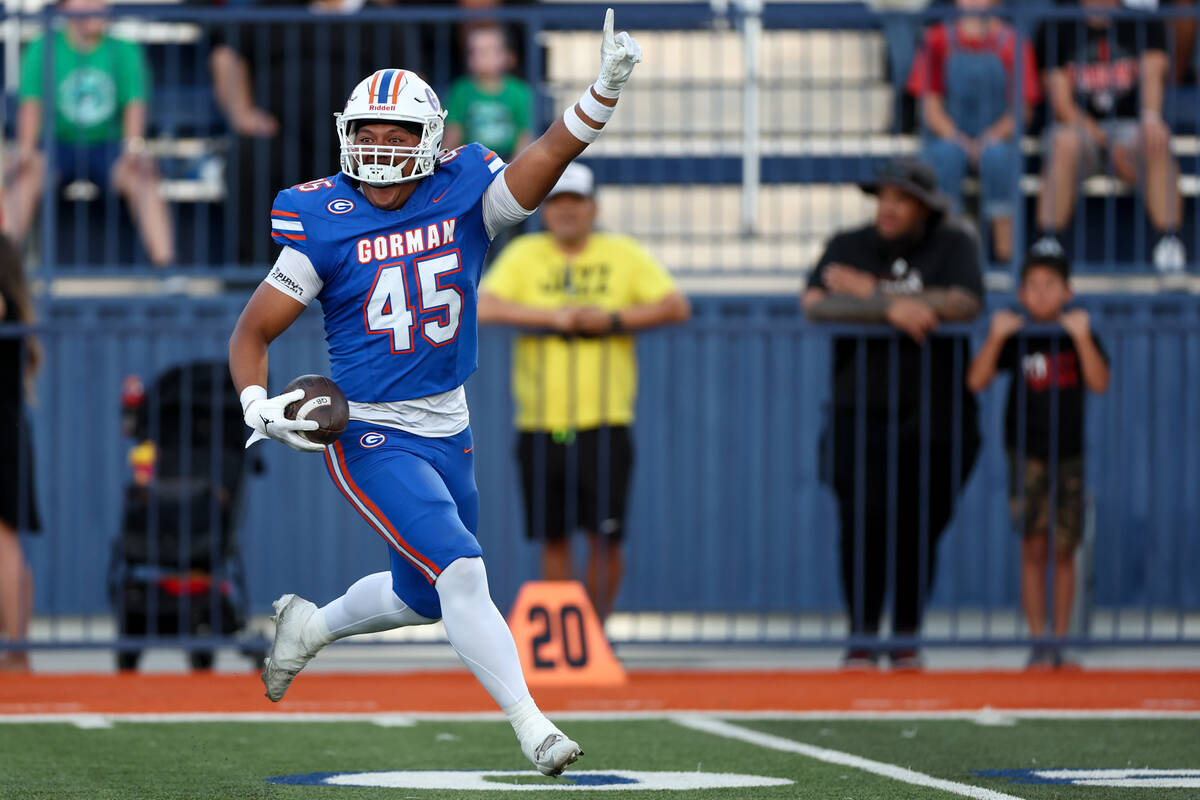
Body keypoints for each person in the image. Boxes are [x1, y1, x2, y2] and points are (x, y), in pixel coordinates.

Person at [227, 10, 641, 777]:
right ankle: (533, 725)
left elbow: (546, 154)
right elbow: (251, 335)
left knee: (424, 595)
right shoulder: (323, 216)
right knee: (463, 569)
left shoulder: (463, 192)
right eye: (368, 131)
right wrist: (257, 406)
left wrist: (601, 94)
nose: (378, 145)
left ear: (429, 138)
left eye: (394, 132)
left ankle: (311, 627)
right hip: (369, 428)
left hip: (449, 423)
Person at [477, 162, 690, 622]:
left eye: (575, 202)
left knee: (605, 537)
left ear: (594, 207)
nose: (566, 212)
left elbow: (675, 305)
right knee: (552, 535)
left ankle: (593, 631)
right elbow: (482, 305)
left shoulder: (622, 253)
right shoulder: (525, 254)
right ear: (544, 209)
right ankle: (567, 632)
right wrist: (555, 319)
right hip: (540, 420)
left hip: (605, 418)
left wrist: (610, 321)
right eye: (556, 202)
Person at [801, 158, 983, 670]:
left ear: (925, 208)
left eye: (901, 199)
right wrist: (891, 308)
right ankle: (862, 639)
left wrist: (872, 291)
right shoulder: (847, 245)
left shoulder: (954, 244)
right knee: (861, 524)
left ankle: (905, 639)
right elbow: (815, 303)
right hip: (859, 413)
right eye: (883, 196)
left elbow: (964, 303)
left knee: (920, 528)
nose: (888, 207)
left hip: (938, 416)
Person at [967, 251, 1109, 669]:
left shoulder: (1080, 333)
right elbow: (976, 381)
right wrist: (995, 337)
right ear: (1020, 293)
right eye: (1033, 285)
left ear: (1068, 292)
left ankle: (1059, 644)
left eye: (1051, 285)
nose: (1042, 293)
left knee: (1065, 549)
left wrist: (1082, 337)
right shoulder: (1017, 336)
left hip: (1069, 455)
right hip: (1026, 455)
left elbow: (1100, 383)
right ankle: (1038, 642)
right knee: (1033, 546)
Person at [4, 0, 174, 267]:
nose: (99, 5)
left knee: (142, 176)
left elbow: (135, 107)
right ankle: (4, 272)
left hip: (108, 146)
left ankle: (168, 272)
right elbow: (30, 107)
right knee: (24, 177)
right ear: (65, 7)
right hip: (56, 145)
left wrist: (133, 150)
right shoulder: (42, 47)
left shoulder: (125, 49)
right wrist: (25, 152)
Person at [1033, 0, 1185, 274]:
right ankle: (1049, 245)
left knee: (1156, 137)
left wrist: (1151, 119)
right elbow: (1062, 105)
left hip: (1129, 126)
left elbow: (1153, 77)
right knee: (1063, 142)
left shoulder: (1144, 22)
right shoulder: (1054, 25)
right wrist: (1109, 144)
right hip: (1080, 128)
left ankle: (1169, 242)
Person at [906, 0, 1040, 263]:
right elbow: (930, 107)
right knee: (945, 155)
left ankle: (1006, 255)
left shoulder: (1014, 42)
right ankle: (945, 250)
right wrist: (960, 140)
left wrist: (988, 139)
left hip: (997, 137)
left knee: (999, 157)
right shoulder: (937, 39)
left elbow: (1022, 110)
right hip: (948, 136)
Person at [0, 233, 41, 672]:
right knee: (7, 540)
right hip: (11, 431)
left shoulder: (3, 305)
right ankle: (17, 643)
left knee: (5, 538)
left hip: (5, 433)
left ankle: (16, 647)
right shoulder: (14, 305)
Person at [441, 23, 534, 161]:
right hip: (470, 161)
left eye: (488, 50)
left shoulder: (519, 91)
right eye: (474, 51)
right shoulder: (461, 90)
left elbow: (524, 136)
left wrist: (512, 168)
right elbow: (453, 133)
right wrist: (445, 163)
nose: (481, 56)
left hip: (509, 161)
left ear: (506, 56)